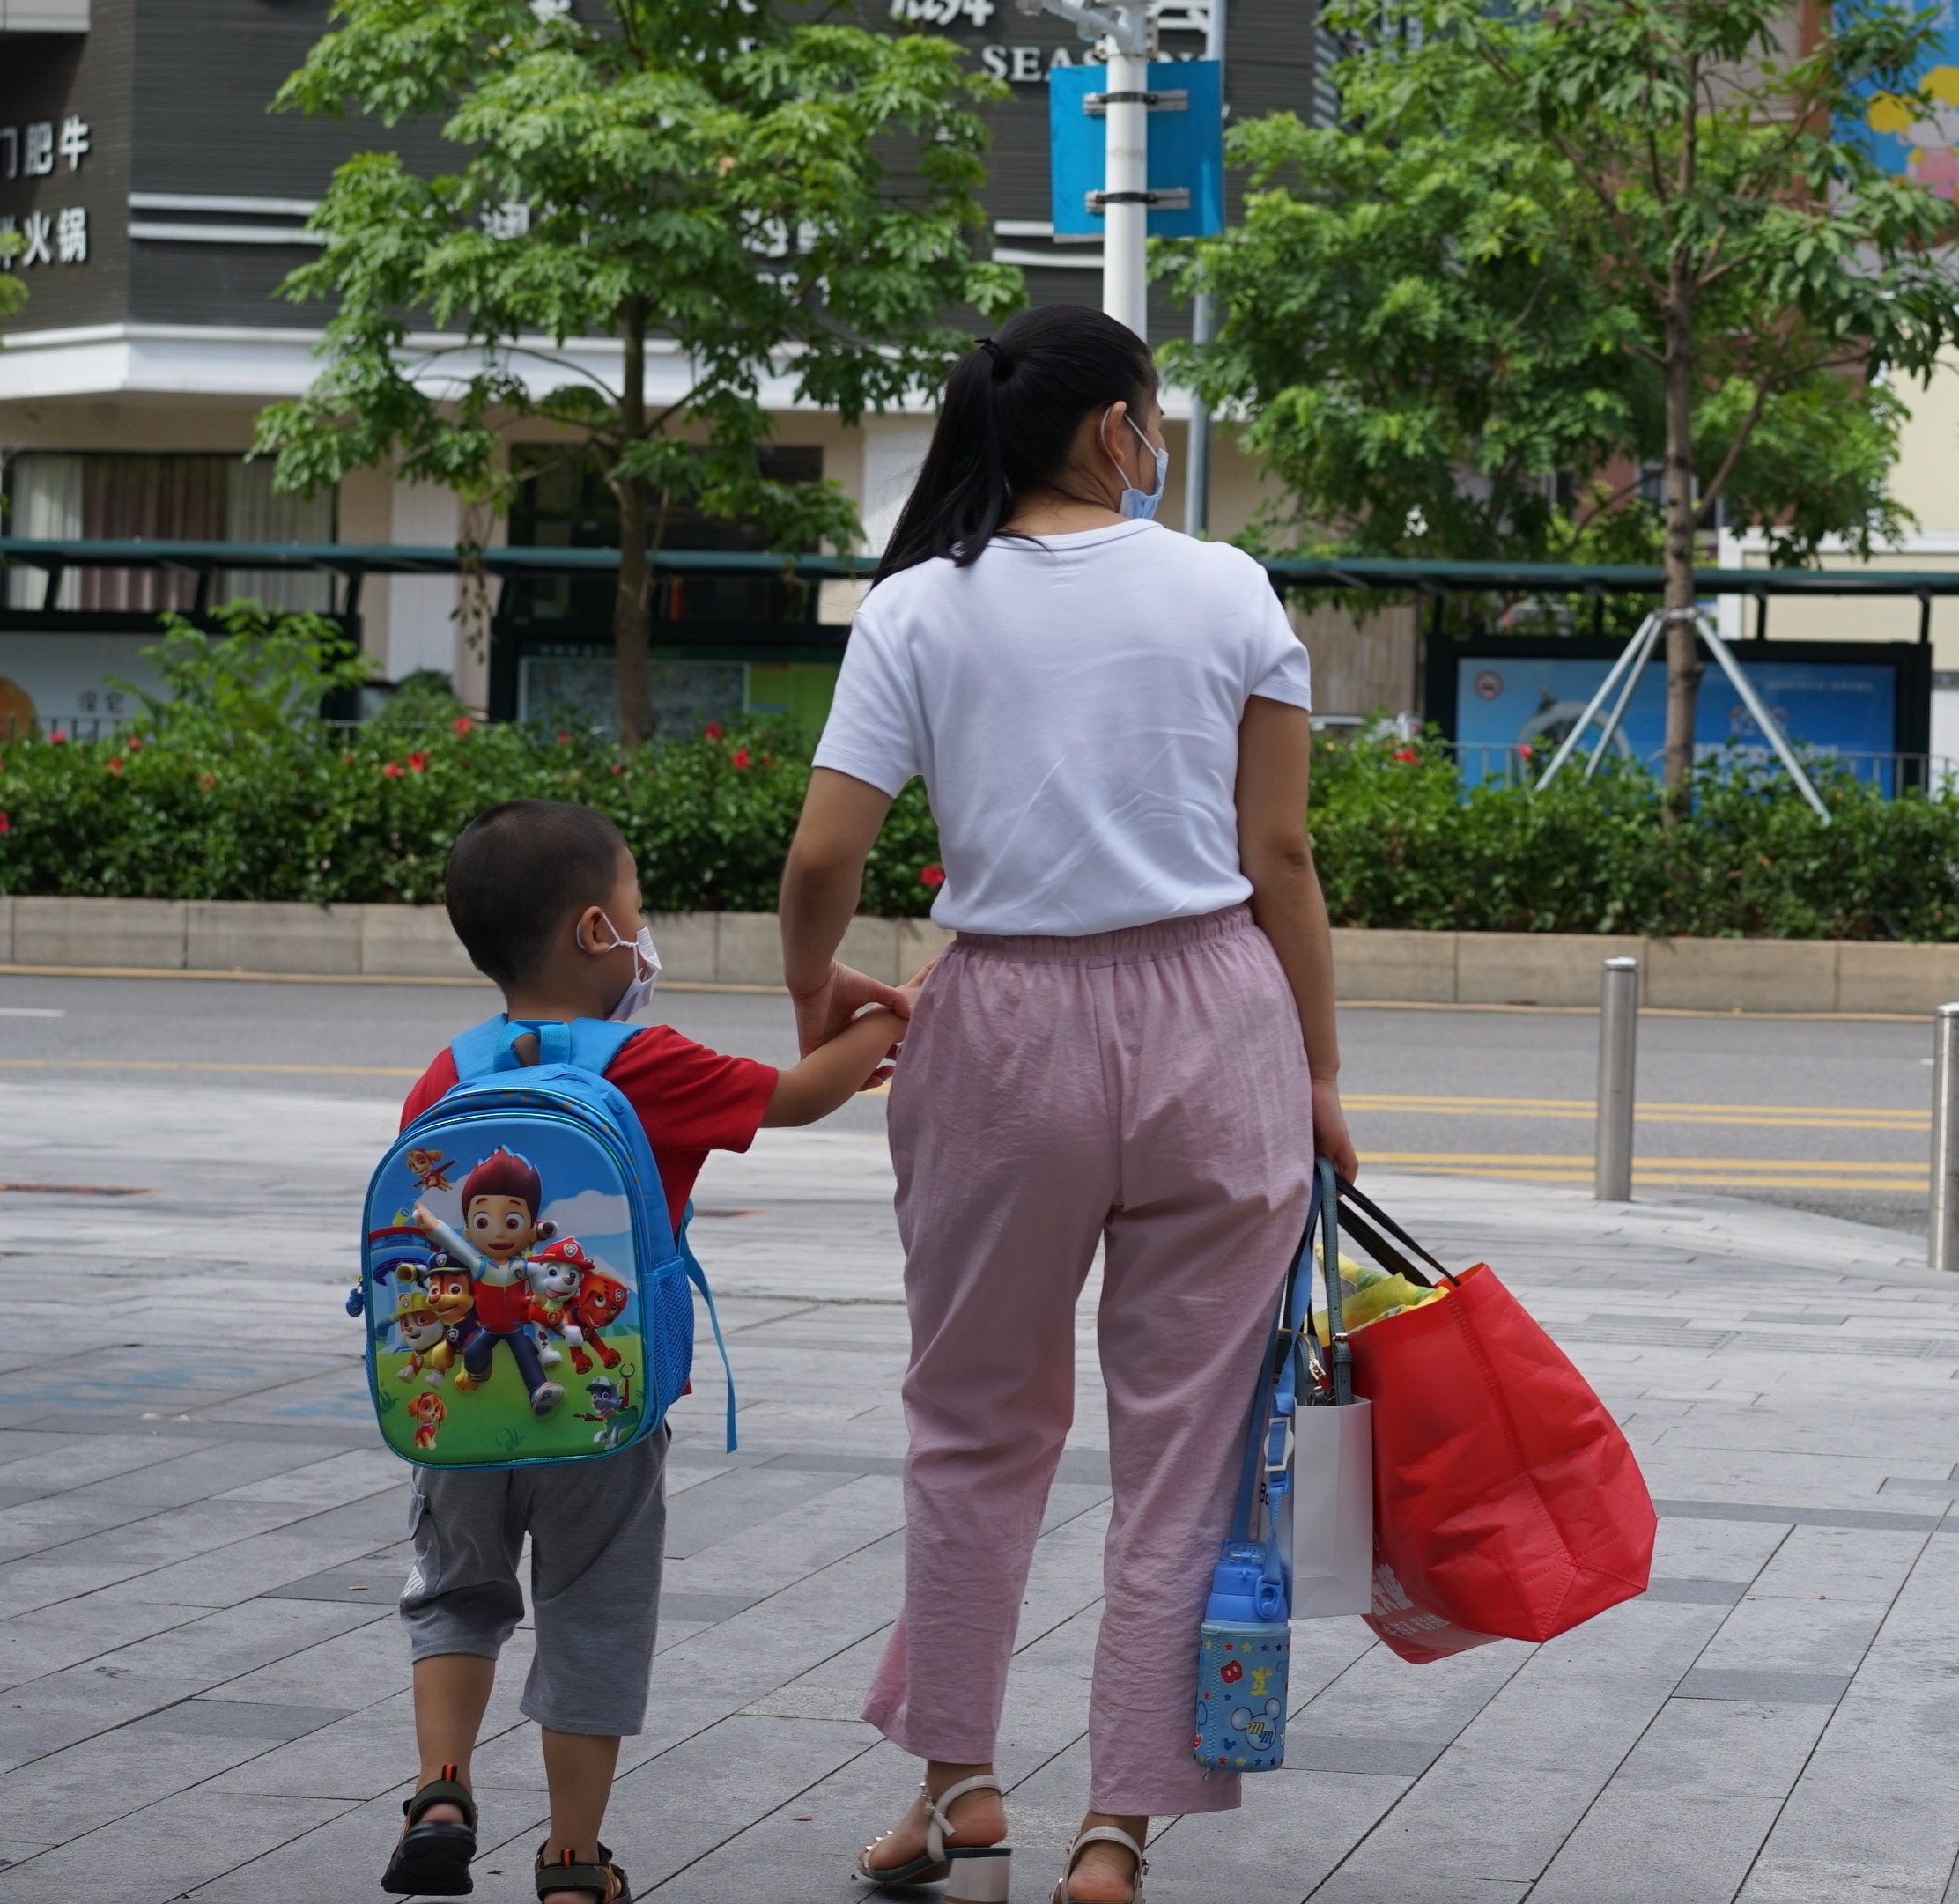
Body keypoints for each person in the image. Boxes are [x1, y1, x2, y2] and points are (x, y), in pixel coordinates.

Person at [780, 304, 1356, 1904]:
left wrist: (812, 994)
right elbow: (1282, 858)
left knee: (970, 1423)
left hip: (1001, 1025)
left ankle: (956, 1779)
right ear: (1118, 426)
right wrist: (1316, 1073)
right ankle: (1120, 1823)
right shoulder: (1227, 586)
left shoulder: (915, 607)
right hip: (1214, 1022)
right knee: (1180, 1448)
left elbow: (826, 853)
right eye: (1153, 410)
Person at [383, 799, 919, 1901]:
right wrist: (892, 1017)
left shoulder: (448, 1073)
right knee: (593, 1614)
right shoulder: (650, 1061)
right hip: (602, 1409)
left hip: (459, 1410)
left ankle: (440, 1789)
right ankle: (574, 1860)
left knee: (455, 1590)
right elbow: (806, 1094)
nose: (645, 929)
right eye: (637, 908)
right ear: (595, 931)